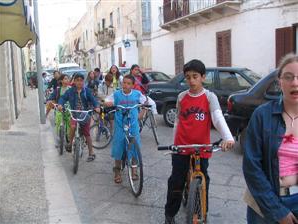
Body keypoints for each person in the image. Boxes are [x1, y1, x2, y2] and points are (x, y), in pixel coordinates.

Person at [164, 59, 235, 224]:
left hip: (202, 147)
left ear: (203, 77)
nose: (191, 80)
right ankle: (169, 214)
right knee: (176, 180)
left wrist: (228, 138)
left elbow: (217, 117)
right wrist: (175, 144)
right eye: (188, 77)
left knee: (204, 180)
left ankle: (200, 212)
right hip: (182, 145)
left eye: (195, 76)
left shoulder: (210, 97)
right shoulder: (181, 97)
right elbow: (178, 121)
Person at [243, 53, 298, 224]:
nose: (295, 83)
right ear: (279, 81)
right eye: (288, 77)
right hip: (264, 205)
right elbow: (252, 167)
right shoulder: (262, 115)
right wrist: (276, 210)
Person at [104, 75, 147, 184]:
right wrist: (107, 103)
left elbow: (145, 102)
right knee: (118, 147)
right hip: (120, 124)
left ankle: (134, 169)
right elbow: (107, 100)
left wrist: (142, 112)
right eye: (124, 83)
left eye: (128, 83)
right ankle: (117, 170)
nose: (126, 85)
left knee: (134, 146)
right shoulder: (117, 94)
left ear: (133, 85)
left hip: (133, 124)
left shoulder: (137, 94)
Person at [58, 73, 100, 162]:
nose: (79, 82)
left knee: (87, 133)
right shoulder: (70, 91)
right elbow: (62, 98)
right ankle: (69, 143)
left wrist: (96, 106)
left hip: (85, 114)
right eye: (77, 80)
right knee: (73, 126)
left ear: (83, 81)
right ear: (74, 81)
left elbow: (93, 100)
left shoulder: (87, 91)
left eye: (81, 80)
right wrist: (60, 105)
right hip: (74, 114)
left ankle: (91, 152)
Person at [46, 74, 71, 146]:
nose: (67, 80)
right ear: (61, 81)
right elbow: (52, 96)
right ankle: (59, 138)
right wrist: (49, 100)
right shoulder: (58, 89)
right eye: (65, 79)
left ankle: (69, 138)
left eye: (68, 79)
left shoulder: (71, 89)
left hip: (68, 109)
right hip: (59, 108)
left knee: (69, 123)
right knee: (58, 121)